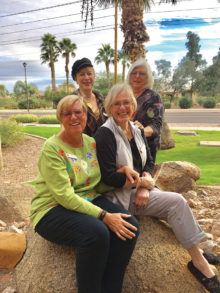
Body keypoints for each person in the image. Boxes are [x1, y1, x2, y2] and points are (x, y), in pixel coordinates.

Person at [94, 83, 220, 293]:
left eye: (126, 102)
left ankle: (195, 251)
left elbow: (150, 162)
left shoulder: (136, 130)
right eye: (117, 103)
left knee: (173, 204)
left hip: (139, 190)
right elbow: (108, 177)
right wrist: (142, 184)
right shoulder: (104, 135)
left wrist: (144, 184)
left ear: (133, 105)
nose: (122, 107)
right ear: (109, 106)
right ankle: (200, 264)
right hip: (120, 196)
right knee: (177, 203)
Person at [30, 95, 139, 293]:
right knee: (96, 233)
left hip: (87, 198)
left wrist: (122, 174)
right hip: (51, 208)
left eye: (78, 112)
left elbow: (96, 182)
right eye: (67, 113)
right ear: (60, 118)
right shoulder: (52, 148)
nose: (74, 117)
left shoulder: (90, 142)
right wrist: (104, 216)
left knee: (129, 227)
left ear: (85, 115)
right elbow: (64, 196)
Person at [126, 58, 164, 162]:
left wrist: (140, 131)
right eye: (134, 73)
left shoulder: (153, 97)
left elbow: (156, 126)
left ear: (147, 77)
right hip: (123, 148)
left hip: (144, 152)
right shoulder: (125, 95)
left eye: (141, 74)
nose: (137, 76)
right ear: (129, 76)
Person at [71, 57, 107, 136]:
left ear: (94, 76)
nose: (86, 78)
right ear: (75, 79)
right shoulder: (71, 101)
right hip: (81, 147)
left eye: (89, 73)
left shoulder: (102, 99)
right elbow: (66, 129)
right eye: (82, 74)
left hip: (104, 147)